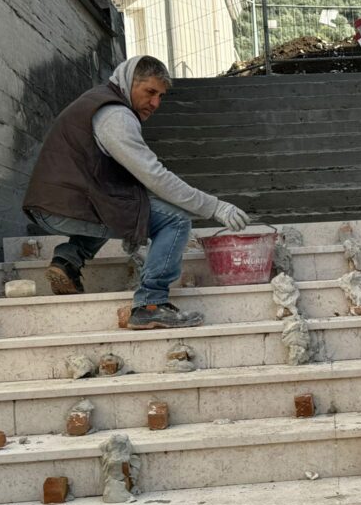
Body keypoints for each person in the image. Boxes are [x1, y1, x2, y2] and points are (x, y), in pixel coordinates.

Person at [22, 55, 250, 329]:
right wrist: (215, 207)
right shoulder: (116, 116)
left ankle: (68, 260)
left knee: (122, 206)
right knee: (175, 221)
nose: (156, 103)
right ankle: (151, 303)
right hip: (66, 205)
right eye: (150, 92)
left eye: (161, 95)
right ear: (130, 83)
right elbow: (154, 176)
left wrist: (135, 222)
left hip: (60, 201)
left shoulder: (101, 101)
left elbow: (123, 183)